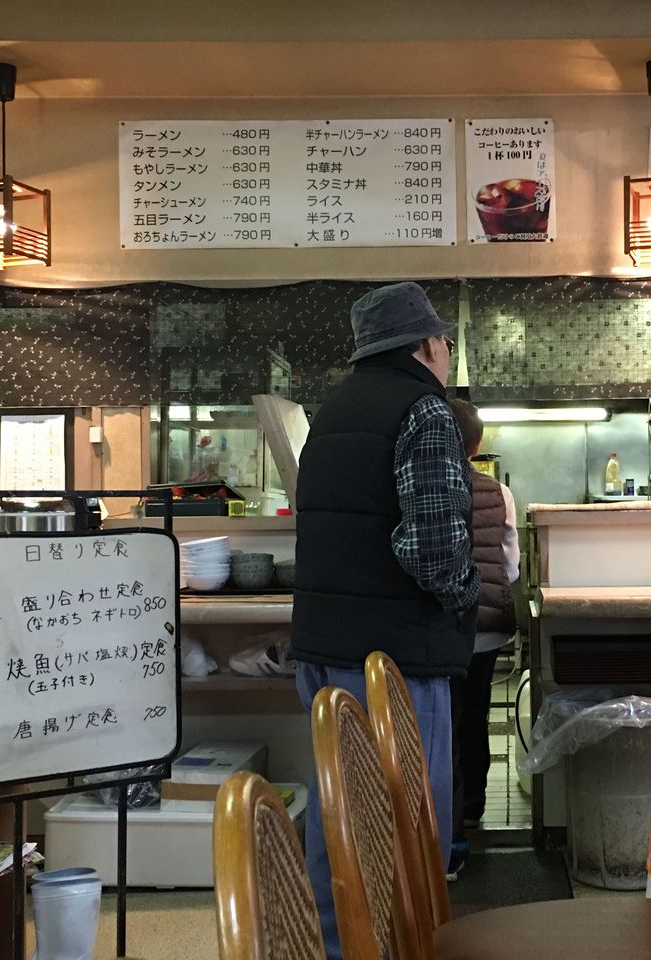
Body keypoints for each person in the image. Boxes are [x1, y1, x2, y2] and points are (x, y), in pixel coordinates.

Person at [291, 281, 479, 960]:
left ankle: (337, 949)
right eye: (445, 341)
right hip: (393, 660)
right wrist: (466, 594)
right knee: (407, 832)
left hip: (322, 649)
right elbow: (433, 549)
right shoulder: (424, 409)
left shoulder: (332, 410)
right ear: (427, 345)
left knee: (339, 823)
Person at [446, 400, 521, 879]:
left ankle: (447, 828)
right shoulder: (498, 491)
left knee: (442, 722)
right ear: (477, 447)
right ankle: (474, 806)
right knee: (476, 716)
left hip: (441, 627)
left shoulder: (423, 483)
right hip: (486, 626)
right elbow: (510, 566)